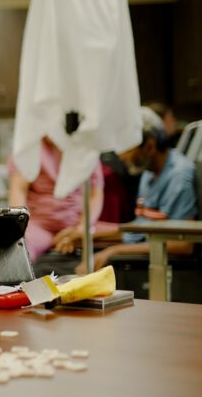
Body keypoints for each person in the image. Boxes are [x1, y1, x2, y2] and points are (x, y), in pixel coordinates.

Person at [68, 106, 197, 273]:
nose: (121, 156)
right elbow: (140, 230)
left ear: (149, 146)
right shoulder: (149, 174)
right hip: (145, 253)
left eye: (126, 149)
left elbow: (182, 245)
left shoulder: (179, 176)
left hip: (168, 268)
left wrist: (115, 251)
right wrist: (88, 233)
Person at [7, 136, 104, 263]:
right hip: (39, 226)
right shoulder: (30, 149)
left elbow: (95, 195)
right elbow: (18, 190)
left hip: (77, 223)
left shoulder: (86, 148)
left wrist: (83, 227)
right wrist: (21, 228)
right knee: (18, 247)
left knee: (121, 238)